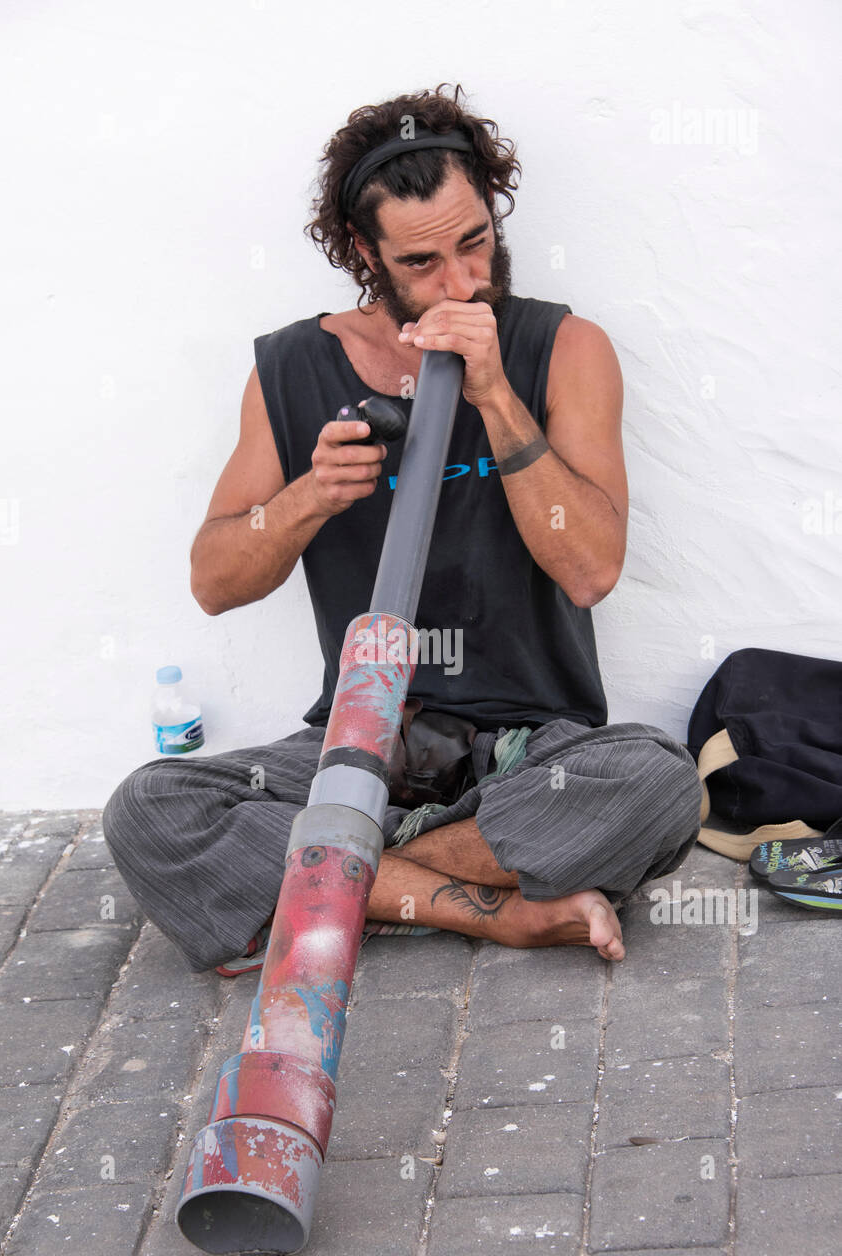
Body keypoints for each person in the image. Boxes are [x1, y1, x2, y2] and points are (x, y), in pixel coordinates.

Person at [103, 83, 702, 976]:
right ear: (363, 252)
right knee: (149, 807)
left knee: (658, 784)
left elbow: (589, 570)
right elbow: (213, 580)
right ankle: (492, 911)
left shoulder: (562, 348)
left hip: (529, 752)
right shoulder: (294, 365)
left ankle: (330, 883)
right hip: (359, 744)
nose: (462, 282)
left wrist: (495, 393)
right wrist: (309, 494)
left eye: (475, 243)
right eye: (423, 262)